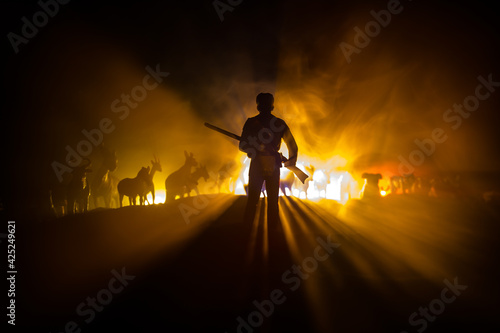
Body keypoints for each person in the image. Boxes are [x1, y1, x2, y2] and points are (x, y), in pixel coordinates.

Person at [239, 93, 298, 227]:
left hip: (258, 164)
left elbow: (242, 146)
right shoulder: (279, 123)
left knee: (253, 199)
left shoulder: (251, 122)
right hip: (272, 164)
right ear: (272, 106)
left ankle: (248, 229)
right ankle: (272, 229)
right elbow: (293, 146)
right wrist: (290, 162)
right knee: (272, 201)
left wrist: (253, 148)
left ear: (258, 105)